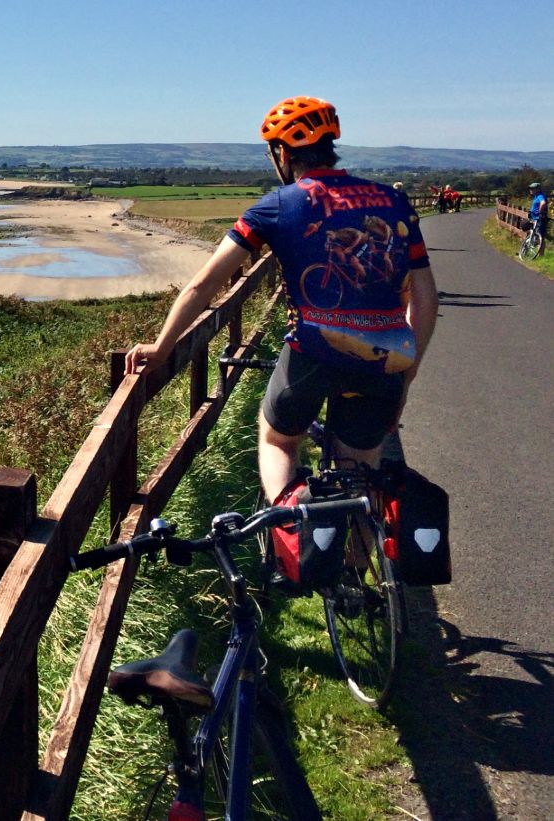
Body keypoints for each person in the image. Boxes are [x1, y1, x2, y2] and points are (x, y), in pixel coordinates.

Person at [124, 96, 438, 583]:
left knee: (277, 437)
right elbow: (424, 291)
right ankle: (356, 569)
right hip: (386, 356)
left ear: (282, 154)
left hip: (314, 353)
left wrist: (161, 347)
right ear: (330, 147)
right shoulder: (392, 200)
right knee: (361, 464)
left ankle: (294, 539)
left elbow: (203, 285)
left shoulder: (276, 205)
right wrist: (408, 362)